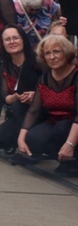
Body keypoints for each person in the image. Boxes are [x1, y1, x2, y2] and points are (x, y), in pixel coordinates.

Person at [17, 35, 78, 175]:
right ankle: (62, 158)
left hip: (73, 125)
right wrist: (21, 139)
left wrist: (70, 144)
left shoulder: (76, 76)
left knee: (62, 129)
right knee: (33, 137)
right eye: (47, 53)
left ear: (67, 53)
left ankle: (73, 159)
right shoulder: (44, 78)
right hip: (55, 123)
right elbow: (34, 111)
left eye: (57, 51)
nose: (52, 57)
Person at [0, 25, 42, 153]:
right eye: (7, 39)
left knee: (19, 108)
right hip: (19, 111)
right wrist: (14, 97)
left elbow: (52, 86)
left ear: (23, 39)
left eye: (15, 38)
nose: (12, 42)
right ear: (3, 44)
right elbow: (5, 97)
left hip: (41, 111)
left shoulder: (38, 61)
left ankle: (29, 144)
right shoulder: (4, 65)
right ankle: (23, 141)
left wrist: (36, 96)